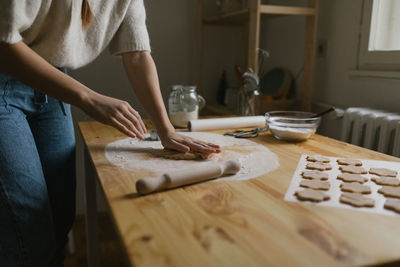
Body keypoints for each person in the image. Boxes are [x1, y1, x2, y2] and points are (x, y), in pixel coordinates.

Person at [0, 0, 220, 266]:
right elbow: (4, 43)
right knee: (27, 228)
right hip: (6, 68)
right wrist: (87, 98)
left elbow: (137, 54)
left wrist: (166, 129)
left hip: (52, 81)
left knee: (60, 217)